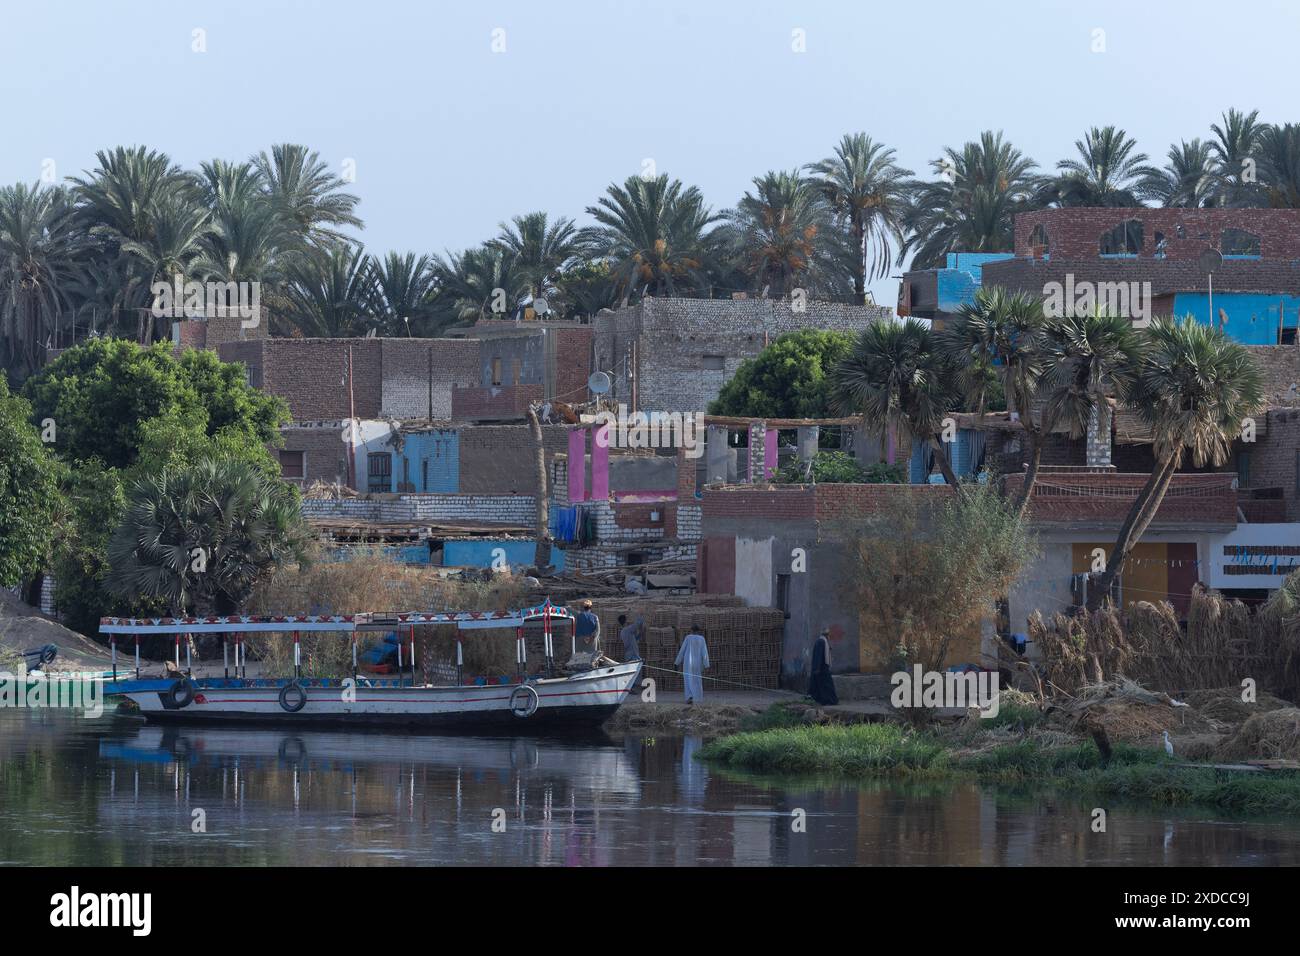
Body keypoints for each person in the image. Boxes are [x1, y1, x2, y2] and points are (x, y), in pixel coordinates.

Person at [674, 625, 710, 704]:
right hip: (698, 664)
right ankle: (697, 698)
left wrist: (677, 662)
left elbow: (682, 650)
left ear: (691, 630)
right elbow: (705, 653)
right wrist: (706, 665)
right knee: (697, 680)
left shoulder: (688, 638)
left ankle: (689, 696)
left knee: (688, 680)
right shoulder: (702, 639)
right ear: (698, 631)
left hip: (688, 663)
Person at [808, 629, 838, 706]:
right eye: (828, 635)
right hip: (821, 668)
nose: (829, 637)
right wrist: (817, 668)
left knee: (825, 685)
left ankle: (828, 700)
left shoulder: (823, 641)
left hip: (822, 668)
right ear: (826, 635)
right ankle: (828, 701)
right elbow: (818, 655)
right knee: (825, 686)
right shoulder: (821, 642)